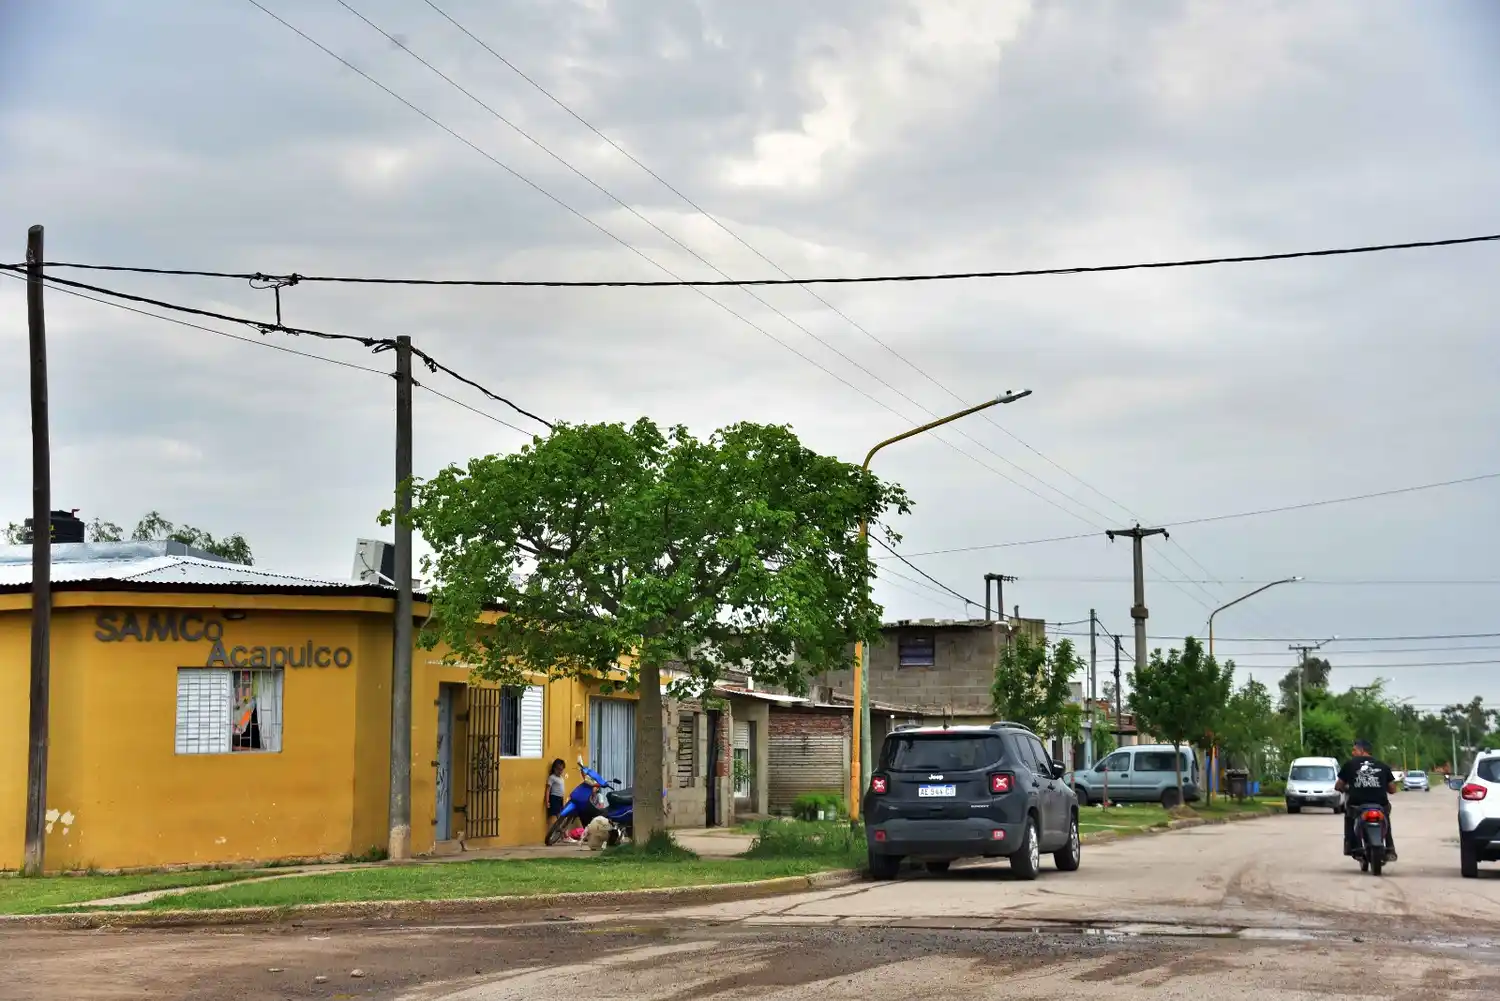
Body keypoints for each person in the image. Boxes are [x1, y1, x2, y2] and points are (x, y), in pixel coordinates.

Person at [1336, 739, 1398, 860]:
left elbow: (1339, 785)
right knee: (1385, 817)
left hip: (1357, 804)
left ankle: (1351, 845)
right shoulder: (1382, 765)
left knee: (1349, 816)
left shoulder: (1350, 764)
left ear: (1362, 750)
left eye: (1354, 750)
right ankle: (1390, 848)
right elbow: (1392, 789)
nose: (1352, 753)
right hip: (1379, 804)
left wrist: (1345, 788)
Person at [545, 758, 568, 834]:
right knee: (557, 815)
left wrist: (563, 800)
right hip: (554, 798)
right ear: (554, 768)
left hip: (560, 799)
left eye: (561, 770)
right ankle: (562, 832)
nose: (560, 771)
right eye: (558, 769)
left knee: (561, 815)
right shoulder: (552, 777)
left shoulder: (561, 778)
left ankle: (561, 831)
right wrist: (547, 801)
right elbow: (548, 790)